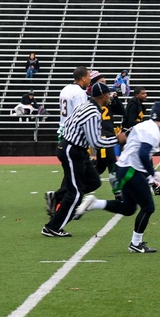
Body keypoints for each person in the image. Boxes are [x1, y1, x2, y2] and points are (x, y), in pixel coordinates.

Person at [75, 102, 160, 253]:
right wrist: (152, 175)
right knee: (148, 207)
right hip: (131, 170)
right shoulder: (153, 132)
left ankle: (94, 204)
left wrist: (148, 174)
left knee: (128, 208)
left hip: (125, 166)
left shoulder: (145, 125)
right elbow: (143, 154)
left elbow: (129, 140)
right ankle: (136, 243)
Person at [42, 82, 125, 238]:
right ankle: (53, 227)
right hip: (72, 150)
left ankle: (57, 197)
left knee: (94, 182)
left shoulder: (87, 105)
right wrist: (117, 139)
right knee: (76, 194)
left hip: (76, 149)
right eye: (109, 94)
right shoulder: (92, 112)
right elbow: (96, 142)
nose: (110, 97)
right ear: (104, 96)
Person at [46, 66, 92, 217]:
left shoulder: (65, 89)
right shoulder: (79, 93)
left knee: (71, 172)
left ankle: (59, 200)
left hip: (63, 131)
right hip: (73, 135)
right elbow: (81, 115)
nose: (90, 79)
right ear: (83, 78)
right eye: (89, 76)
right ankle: (62, 201)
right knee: (76, 172)